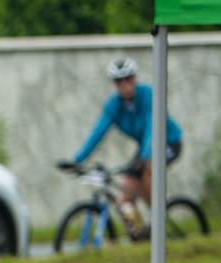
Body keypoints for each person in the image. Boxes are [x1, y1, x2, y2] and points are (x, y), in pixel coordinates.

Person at [66, 56, 183, 233]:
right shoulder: (114, 106)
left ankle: (158, 218)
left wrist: (145, 157)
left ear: (135, 79)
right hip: (145, 147)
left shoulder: (148, 95)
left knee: (147, 170)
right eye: (119, 81)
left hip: (168, 142)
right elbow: (98, 132)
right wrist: (78, 160)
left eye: (128, 79)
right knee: (124, 198)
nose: (124, 85)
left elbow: (152, 128)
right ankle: (140, 233)